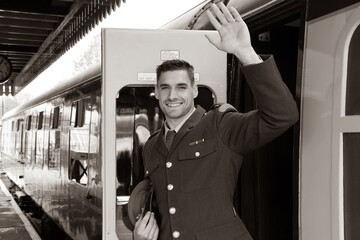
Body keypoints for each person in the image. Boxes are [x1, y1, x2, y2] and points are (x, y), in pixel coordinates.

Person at [133, 2, 299, 240]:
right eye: (165, 88)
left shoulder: (221, 125)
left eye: (181, 87)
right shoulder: (150, 147)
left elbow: (282, 115)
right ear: (156, 93)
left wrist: (244, 51)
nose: (172, 96)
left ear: (194, 91)